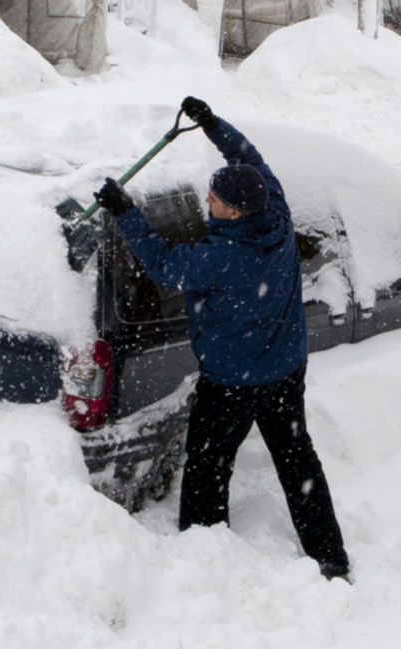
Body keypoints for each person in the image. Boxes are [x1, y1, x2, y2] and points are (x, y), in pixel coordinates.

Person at [92, 96, 351, 582]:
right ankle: (331, 558)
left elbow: (165, 266)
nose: (205, 201)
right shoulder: (274, 207)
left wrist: (125, 212)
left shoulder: (220, 257)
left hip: (233, 381)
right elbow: (248, 157)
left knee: (208, 467)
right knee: (298, 462)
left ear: (233, 212)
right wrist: (212, 124)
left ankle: (205, 562)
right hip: (286, 369)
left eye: (213, 199)